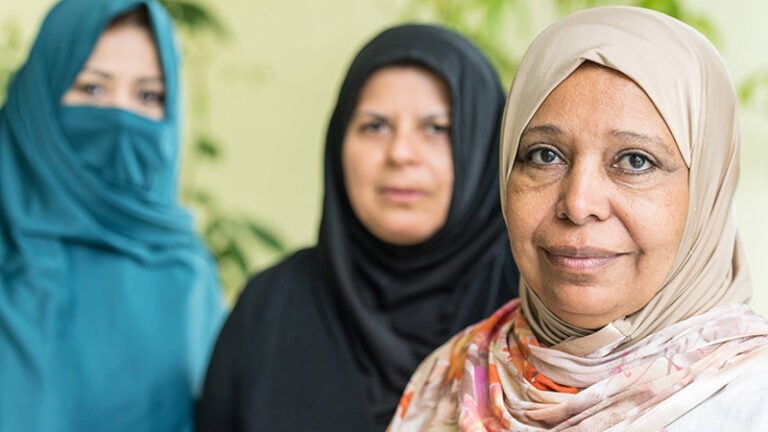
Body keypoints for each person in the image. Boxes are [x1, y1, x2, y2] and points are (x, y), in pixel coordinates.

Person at [388, 6, 768, 431]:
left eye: (635, 161)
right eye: (544, 156)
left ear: (707, 190)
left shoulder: (752, 402)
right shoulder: (449, 379)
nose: (578, 202)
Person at [197, 24, 519, 431]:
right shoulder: (270, 306)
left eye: (437, 128)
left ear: (487, 145)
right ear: (338, 143)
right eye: (375, 126)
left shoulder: (536, 311)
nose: (400, 153)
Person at [0, 0, 225, 430]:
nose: (122, 118)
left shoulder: (186, 275)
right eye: (92, 89)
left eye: (148, 96)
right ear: (40, 100)